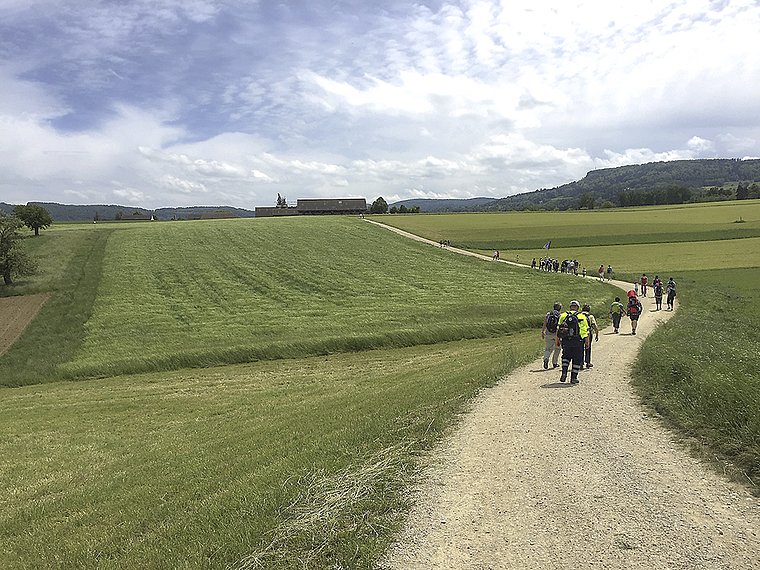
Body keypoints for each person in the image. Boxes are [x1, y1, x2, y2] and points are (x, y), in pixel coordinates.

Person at [556, 300, 590, 384]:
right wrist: (586, 341)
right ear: (578, 308)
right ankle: (573, 378)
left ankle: (564, 372)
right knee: (577, 359)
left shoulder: (563, 315)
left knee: (565, 357)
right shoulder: (582, 317)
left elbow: (558, 328)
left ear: (570, 307)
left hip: (566, 341)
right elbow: (585, 330)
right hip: (578, 341)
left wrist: (558, 339)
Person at [542, 302, 562, 369]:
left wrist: (543, 331)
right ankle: (554, 362)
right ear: (560, 309)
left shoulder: (548, 314)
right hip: (557, 335)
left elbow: (545, 323)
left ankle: (546, 358)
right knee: (557, 348)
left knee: (548, 348)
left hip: (548, 333)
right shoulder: (560, 315)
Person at [581, 303, 599, 368]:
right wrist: (596, 334)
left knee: (580, 348)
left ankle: (580, 363)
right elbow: (595, 326)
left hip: (580, 333)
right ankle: (588, 362)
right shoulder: (590, 316)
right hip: (588, 332)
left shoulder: (579, 315)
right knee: (588, 348)